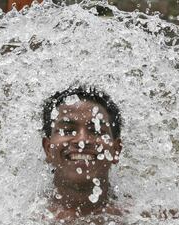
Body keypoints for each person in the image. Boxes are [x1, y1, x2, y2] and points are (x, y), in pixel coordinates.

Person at [41, 85, 124, 223]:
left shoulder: (147, 217)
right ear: (48, 149)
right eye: (68, 130)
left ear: (116, 150)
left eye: (96, 131)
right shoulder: (16, 216)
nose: (82, 140)